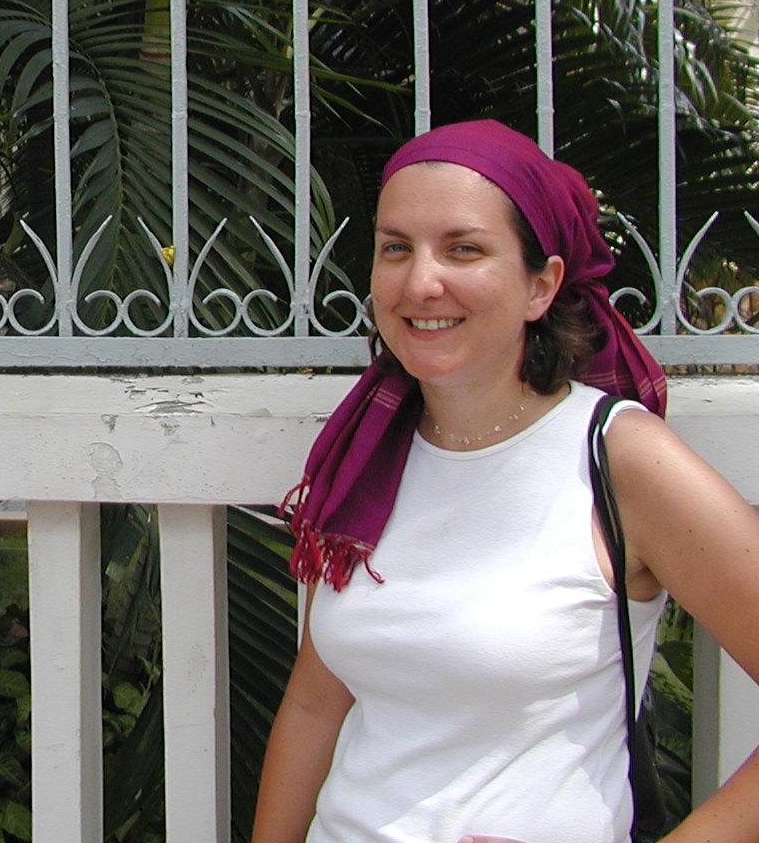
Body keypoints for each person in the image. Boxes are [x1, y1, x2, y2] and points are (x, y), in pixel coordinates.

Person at [252, 119, 759, 843]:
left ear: (540, 284)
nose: (421, 282)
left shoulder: (620, 459)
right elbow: (315, 702)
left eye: (463, 248)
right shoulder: (366, 455)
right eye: (396, 247)